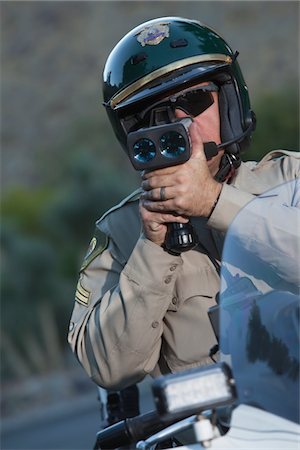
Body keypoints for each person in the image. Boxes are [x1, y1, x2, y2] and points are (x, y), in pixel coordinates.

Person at [68, 17, 299, 403]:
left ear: (229, 103)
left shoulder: (290, 178)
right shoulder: (121, 232)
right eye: (155, 116)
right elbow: (107, 366)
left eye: (194, 101)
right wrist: (153, 246)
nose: (181, 121)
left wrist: (213, 202)